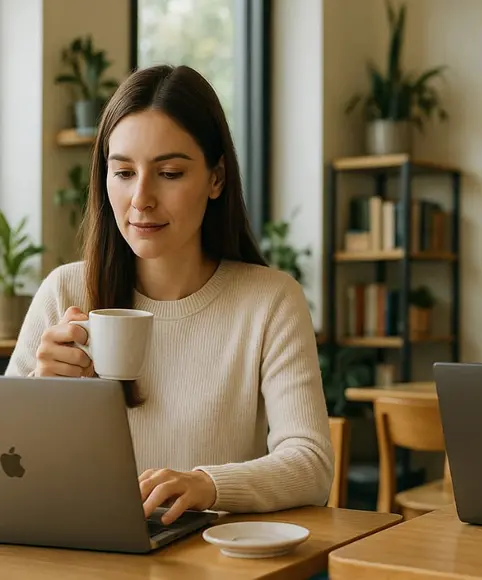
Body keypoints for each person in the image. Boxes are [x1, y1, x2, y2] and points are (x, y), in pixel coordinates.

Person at [5, 64, 334, 524]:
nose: (141, 198)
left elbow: (311, 464)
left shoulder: (269, 301)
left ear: (216, 178)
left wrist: (207, 485)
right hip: (86, 557)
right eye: (123, 172)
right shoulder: (66, 291)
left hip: (212, 564)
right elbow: (9, 469)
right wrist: (41, 395)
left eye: (170, 173)